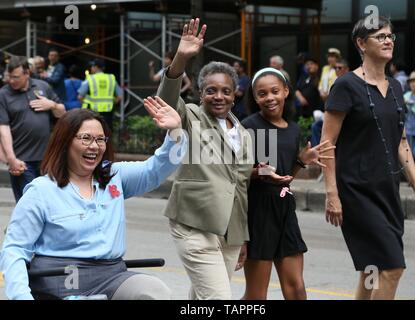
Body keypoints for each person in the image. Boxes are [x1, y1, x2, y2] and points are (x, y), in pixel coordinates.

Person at [0, 102, 187, 300]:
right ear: (65, 141)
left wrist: (175, 132)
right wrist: (21, 297)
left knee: (153, 292)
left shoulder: (115, 175)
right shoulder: (41, 191)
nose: (94, 146)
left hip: (110, 276)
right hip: (57, 280)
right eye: (86, 138)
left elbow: (156, 170)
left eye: (100, 139)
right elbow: (15, 249)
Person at [321, 16, 415, 300]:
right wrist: (332, 193)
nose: (388, 40)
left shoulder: (396, 88)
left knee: (370, 270)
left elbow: (401, 142)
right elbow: (326, 144)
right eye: (380, 36)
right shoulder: (346, 86)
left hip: (387, 190)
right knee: (392, 267)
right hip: (356, 190)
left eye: (390, 36)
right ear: (361, 44)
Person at [151, 18, 254, 300]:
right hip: (193, 226)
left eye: (226, 91)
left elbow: (241, 187)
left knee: (201, 299)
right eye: (211, 90)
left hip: (229, 233)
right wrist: (181, 58)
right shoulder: (191, 116)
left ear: (235, 95)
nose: (218, 96)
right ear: (200, 93)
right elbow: (168, 100)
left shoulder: (244, 134)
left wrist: (242, 236)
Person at [241, 67, 333, 300]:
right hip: (257, 211)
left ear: (285, 91)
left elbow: (285, 176)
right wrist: (259, 173)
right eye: (262, 94)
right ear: (255, 97)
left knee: (296, 289)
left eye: (274, 91)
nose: (269, 98)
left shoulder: (292, 130)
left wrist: (301, 161)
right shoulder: (248, 127)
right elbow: (235, 175)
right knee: (256, 296)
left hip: (284, 207)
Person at [0, 55, 66, 202]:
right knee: (28, 204)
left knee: (48, 203)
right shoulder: (4, 94)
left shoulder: (43, 87)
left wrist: (52, 105)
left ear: (27, 74)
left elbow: (62, 113)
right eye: (9, 76)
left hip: (47, 160)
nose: (11, 81)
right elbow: (3, 129)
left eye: (16, 77)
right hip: (22, 162)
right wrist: (11, 159)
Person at [311, 59, 349, 147]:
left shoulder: (348, 82)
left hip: (343, 116)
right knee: (316, 126)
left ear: (347, 69)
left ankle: (320, 153)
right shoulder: (335, 81)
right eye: (335, 68)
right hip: (332, 113)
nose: (337, 70)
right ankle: (318, 152)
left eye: (340, 68)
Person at [78, 58, 122, 132]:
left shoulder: (90, 78)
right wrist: (111, 104)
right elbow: (120, 97)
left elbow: (80, 96)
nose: (91, 68)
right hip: (108, 112)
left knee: (94, 133)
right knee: (107, 133)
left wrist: (86, 105)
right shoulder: (111, 78)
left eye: (92, 66)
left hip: (93, 112)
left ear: (96, 67)